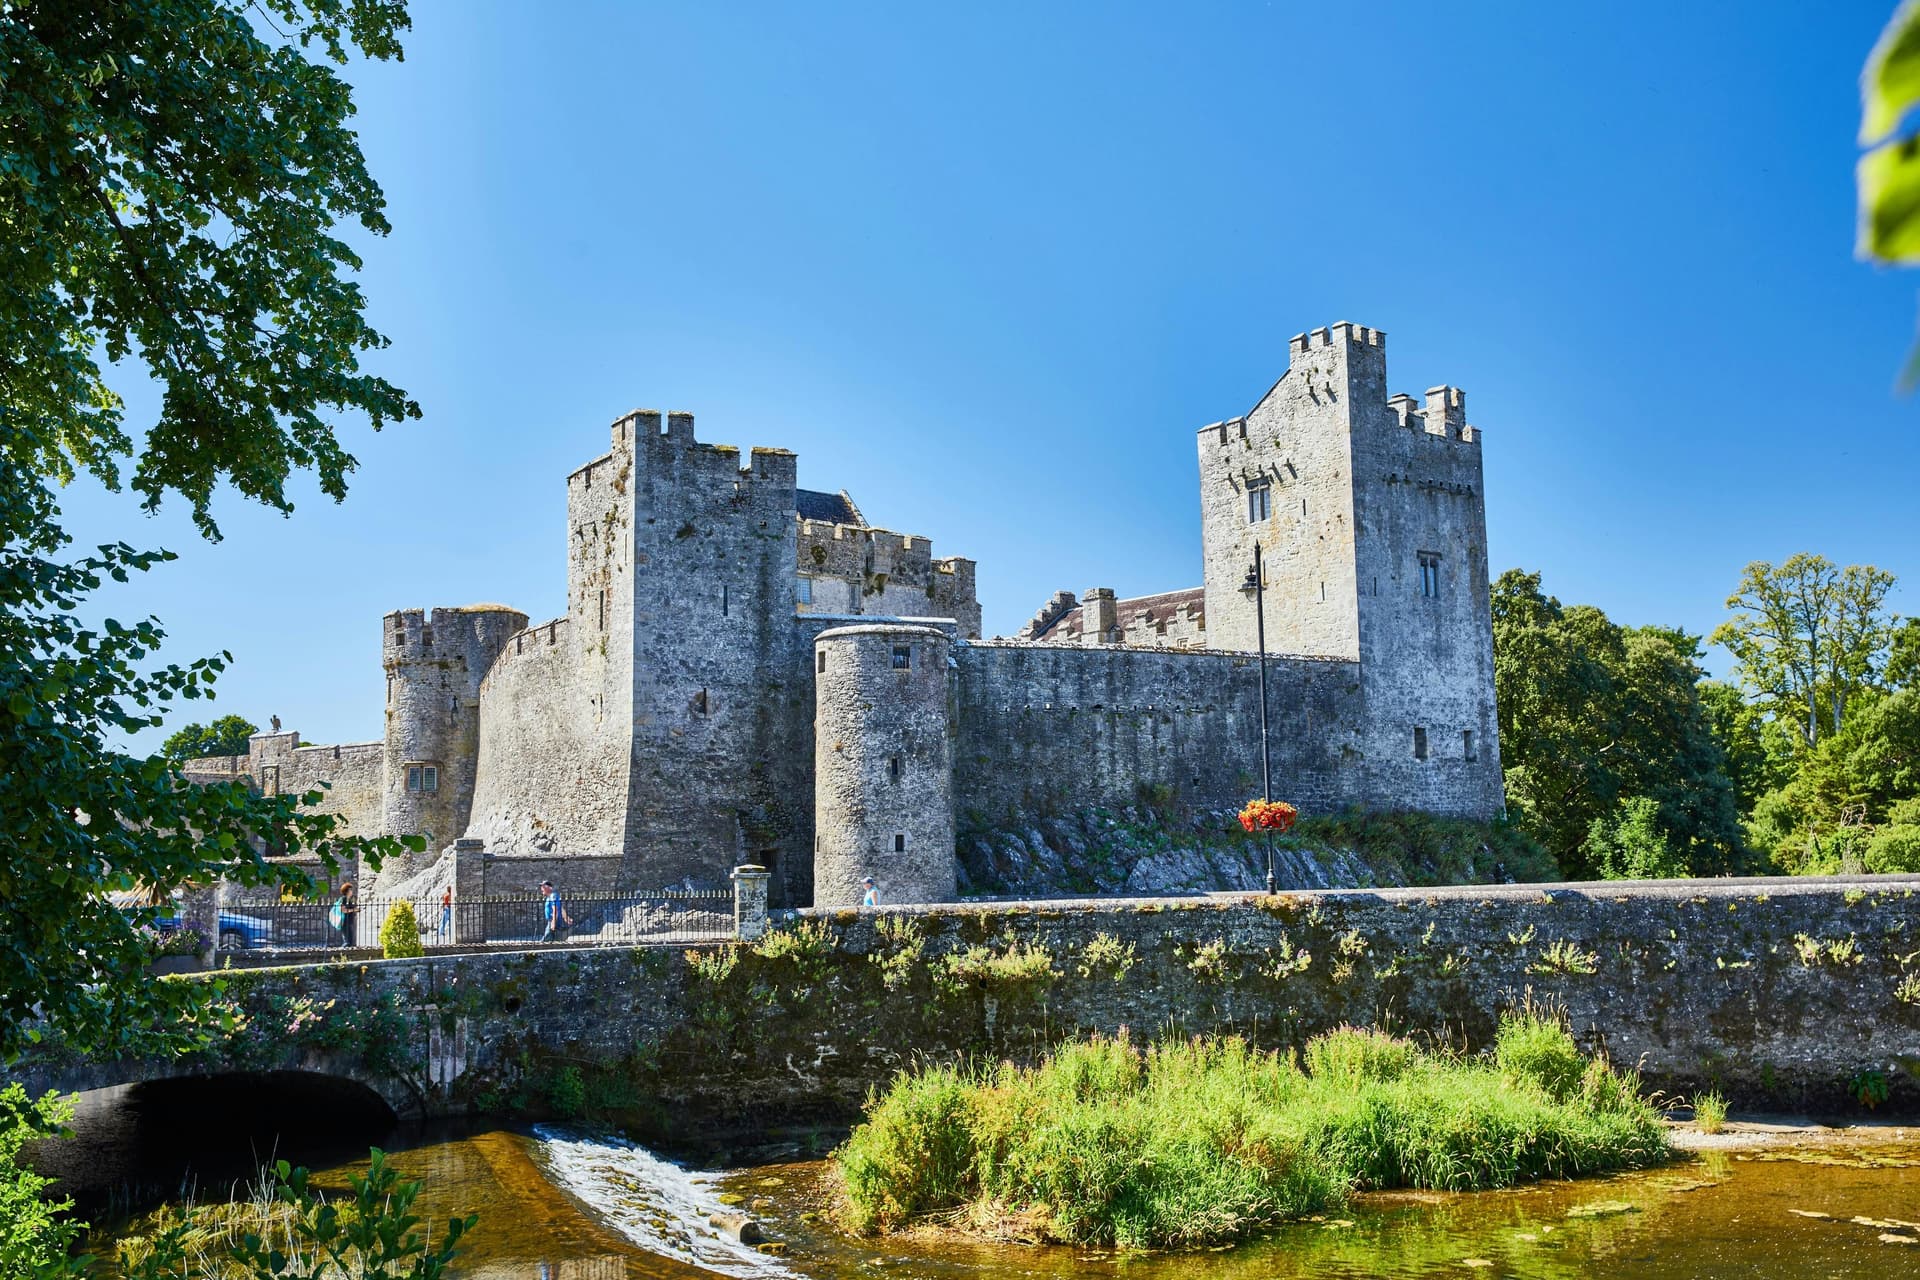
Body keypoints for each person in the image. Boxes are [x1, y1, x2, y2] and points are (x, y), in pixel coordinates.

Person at [334, 880, 358, 947]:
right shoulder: (344, 899)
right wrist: (354, 909)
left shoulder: (348, 899)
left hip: (348, 922)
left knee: (349, 940)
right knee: (347, 941)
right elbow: (343, 910)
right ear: (347, 891)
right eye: (350, 890)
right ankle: (341, 953)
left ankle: (346, 954)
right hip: (345, 922)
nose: (352, 891)